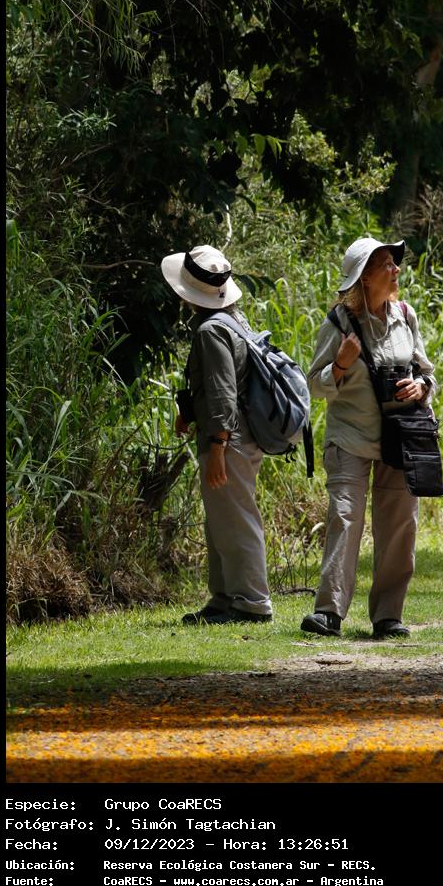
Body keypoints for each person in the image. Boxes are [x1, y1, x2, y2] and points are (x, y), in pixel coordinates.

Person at [301, 236, 437, 639]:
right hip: (349, 440)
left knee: (400, 526)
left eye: (394, 262)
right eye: (387, 264)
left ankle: (388, 617)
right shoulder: (338, 323)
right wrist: (340, 366)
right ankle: (328, 613)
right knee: (345, 519)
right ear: (364, 277)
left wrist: (421, 387)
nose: (396, 269)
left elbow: (427, 372)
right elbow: (314, 385)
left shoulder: (406, 316)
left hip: (401, 439)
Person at [161, 244, 272, 625]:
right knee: (222, 519)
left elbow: (224, 391)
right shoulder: (233, 320)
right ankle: (224, 597)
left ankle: (252, 603)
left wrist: (219, 445)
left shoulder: (210, 330)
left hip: (229, 439)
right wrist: (190, 413)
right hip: (240, 434)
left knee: (236, 519)